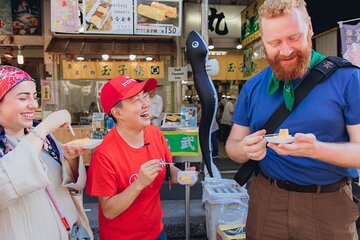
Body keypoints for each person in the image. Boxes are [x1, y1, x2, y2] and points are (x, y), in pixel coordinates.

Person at [226, 0, 360, 239]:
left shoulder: (349, 79)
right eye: (275, 43)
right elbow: (233, 147)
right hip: (267, 200)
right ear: (262, 42)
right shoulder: (253, 86)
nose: (286, 50)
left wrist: (316, 149)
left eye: (294, 37)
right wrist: (245, 149)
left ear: (309, 28)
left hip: (328, 203)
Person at [86, 76, 196, 240]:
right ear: (118, 113)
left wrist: (182, 176)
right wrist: (139, 184)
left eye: (145, 96)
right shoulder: (104, 154)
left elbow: (167, 168)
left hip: (156, 231)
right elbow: (108, 210)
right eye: (136, 100)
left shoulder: (154, 133)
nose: (146, 104)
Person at [0, 66, 93, 239]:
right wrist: (43, 128)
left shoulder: (46, 140)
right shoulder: (40, 133)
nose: (34, 105)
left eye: (35, 97)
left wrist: (70, 160)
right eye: (23, 98)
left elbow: (73, 185)